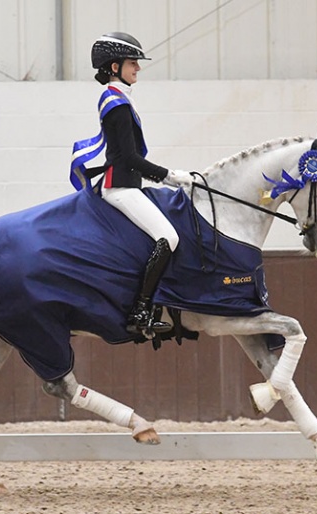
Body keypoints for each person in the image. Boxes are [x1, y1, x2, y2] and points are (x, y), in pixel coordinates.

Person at [70, 32, 193, 336]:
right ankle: (141, 310)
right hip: (121, 187)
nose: (137, 67)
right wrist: (168, 175)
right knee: (168, 236)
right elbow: (127, 157)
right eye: (132, 62)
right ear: (115, 67)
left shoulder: (121, 99)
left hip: (128, 184)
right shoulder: (116, 103)